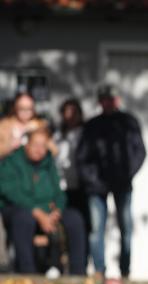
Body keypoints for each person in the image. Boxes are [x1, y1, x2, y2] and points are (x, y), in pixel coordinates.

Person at [76, 85, 146, 278]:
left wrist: (126, 174)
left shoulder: (128, 123)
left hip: (122, 184)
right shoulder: (92, 125)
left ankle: (125, 270)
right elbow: (82, 157)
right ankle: (99, 270)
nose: (109, 103)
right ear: (100, 102)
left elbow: (139, 152)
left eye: (112, 99)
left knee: (126, 227)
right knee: (96, 228)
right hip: (96, 186)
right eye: (105, 99)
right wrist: (92, 179)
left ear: (117, 100)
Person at [0, 127, 87, 275]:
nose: (39, 150)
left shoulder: (49, 163)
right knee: (23, 219)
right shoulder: (12, 161)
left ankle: (78, 272)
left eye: (43, 146)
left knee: (74, 219)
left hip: (48, 210)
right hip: (19, 208)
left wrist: (57, 210)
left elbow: (58, 193)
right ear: (27, 145)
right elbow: (11, 192)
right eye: (35, 145)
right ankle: (27, 272)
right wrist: (37, 212)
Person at [54, 98, 89, 269]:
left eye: (73, 112)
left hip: (81, 188)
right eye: (66, 112)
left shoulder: (86, 133)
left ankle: (81, 266)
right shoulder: (57, 135)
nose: (70, 116)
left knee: (83, 227)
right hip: (62, 189)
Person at [0, 91, 48, 159]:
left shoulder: (40, 125)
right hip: (9, 163)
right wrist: (10, 146)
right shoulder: (5, 125)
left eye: (29, 109)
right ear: (16, 107)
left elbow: (53, 150)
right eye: (22, 108)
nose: (25, 112)